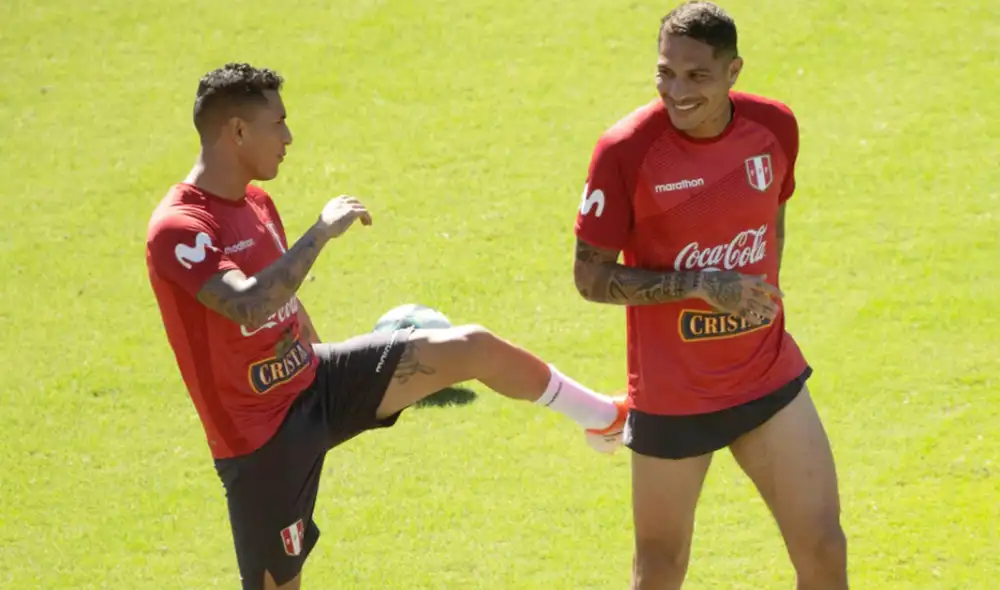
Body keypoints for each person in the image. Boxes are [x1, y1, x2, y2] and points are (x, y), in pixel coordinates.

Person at [144, 62, 626, 590]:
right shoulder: (180, 227)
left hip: (315, 383)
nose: (288, 136)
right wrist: (322, 232)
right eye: (277, 122)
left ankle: (604, 417)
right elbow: (248, 305)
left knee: (472, 347)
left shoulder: (256, 202)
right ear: (237, 130)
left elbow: (286, 304)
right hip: (261, 439)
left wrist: (333, 379)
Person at [571, 2, 848, 589]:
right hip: (674, 397)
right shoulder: (625, 150)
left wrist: (758, 294)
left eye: (697, 76)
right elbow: (589, 278)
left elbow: (772, 216)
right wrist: (701, 283)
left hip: (766, 376)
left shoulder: (774, 127)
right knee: (661, 569)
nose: (677, 90)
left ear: (733, 71)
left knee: (824, 548)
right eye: (665, 73)